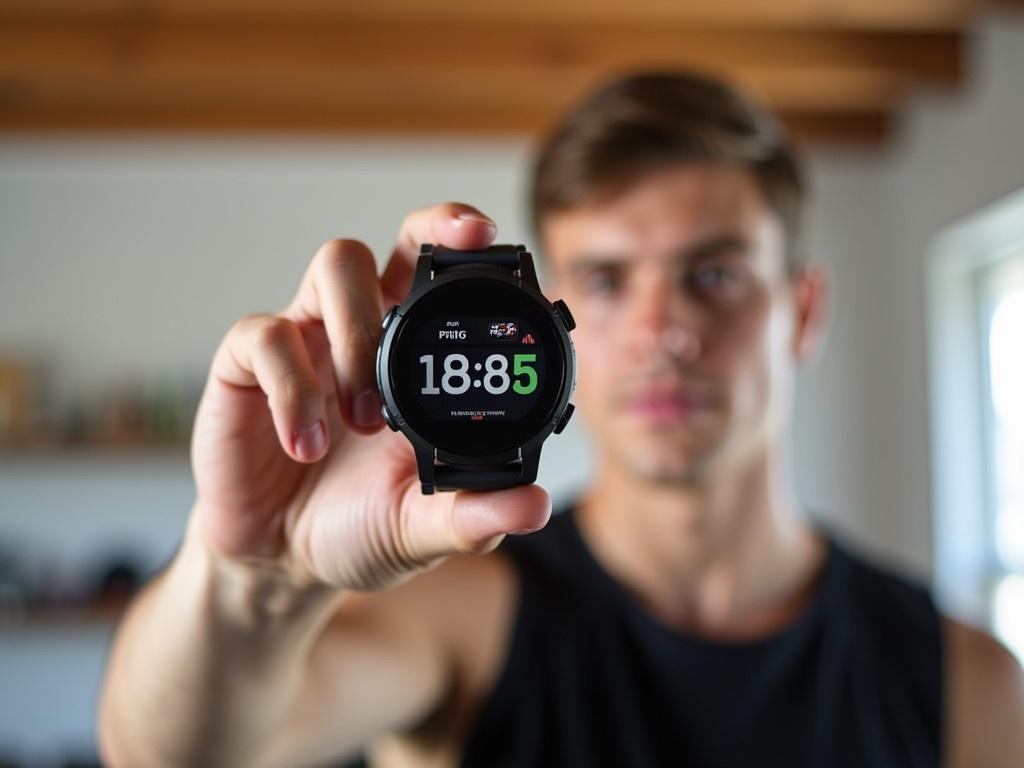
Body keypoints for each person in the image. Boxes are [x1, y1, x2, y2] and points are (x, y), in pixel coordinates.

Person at [97, 72, 1024, 767]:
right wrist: (253, 576)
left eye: (715, 275)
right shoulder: (465, 615)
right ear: (549, 314)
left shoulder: (966, 678)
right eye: (609, 281)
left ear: (805, 310)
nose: (663, 334)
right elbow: (168, 757)